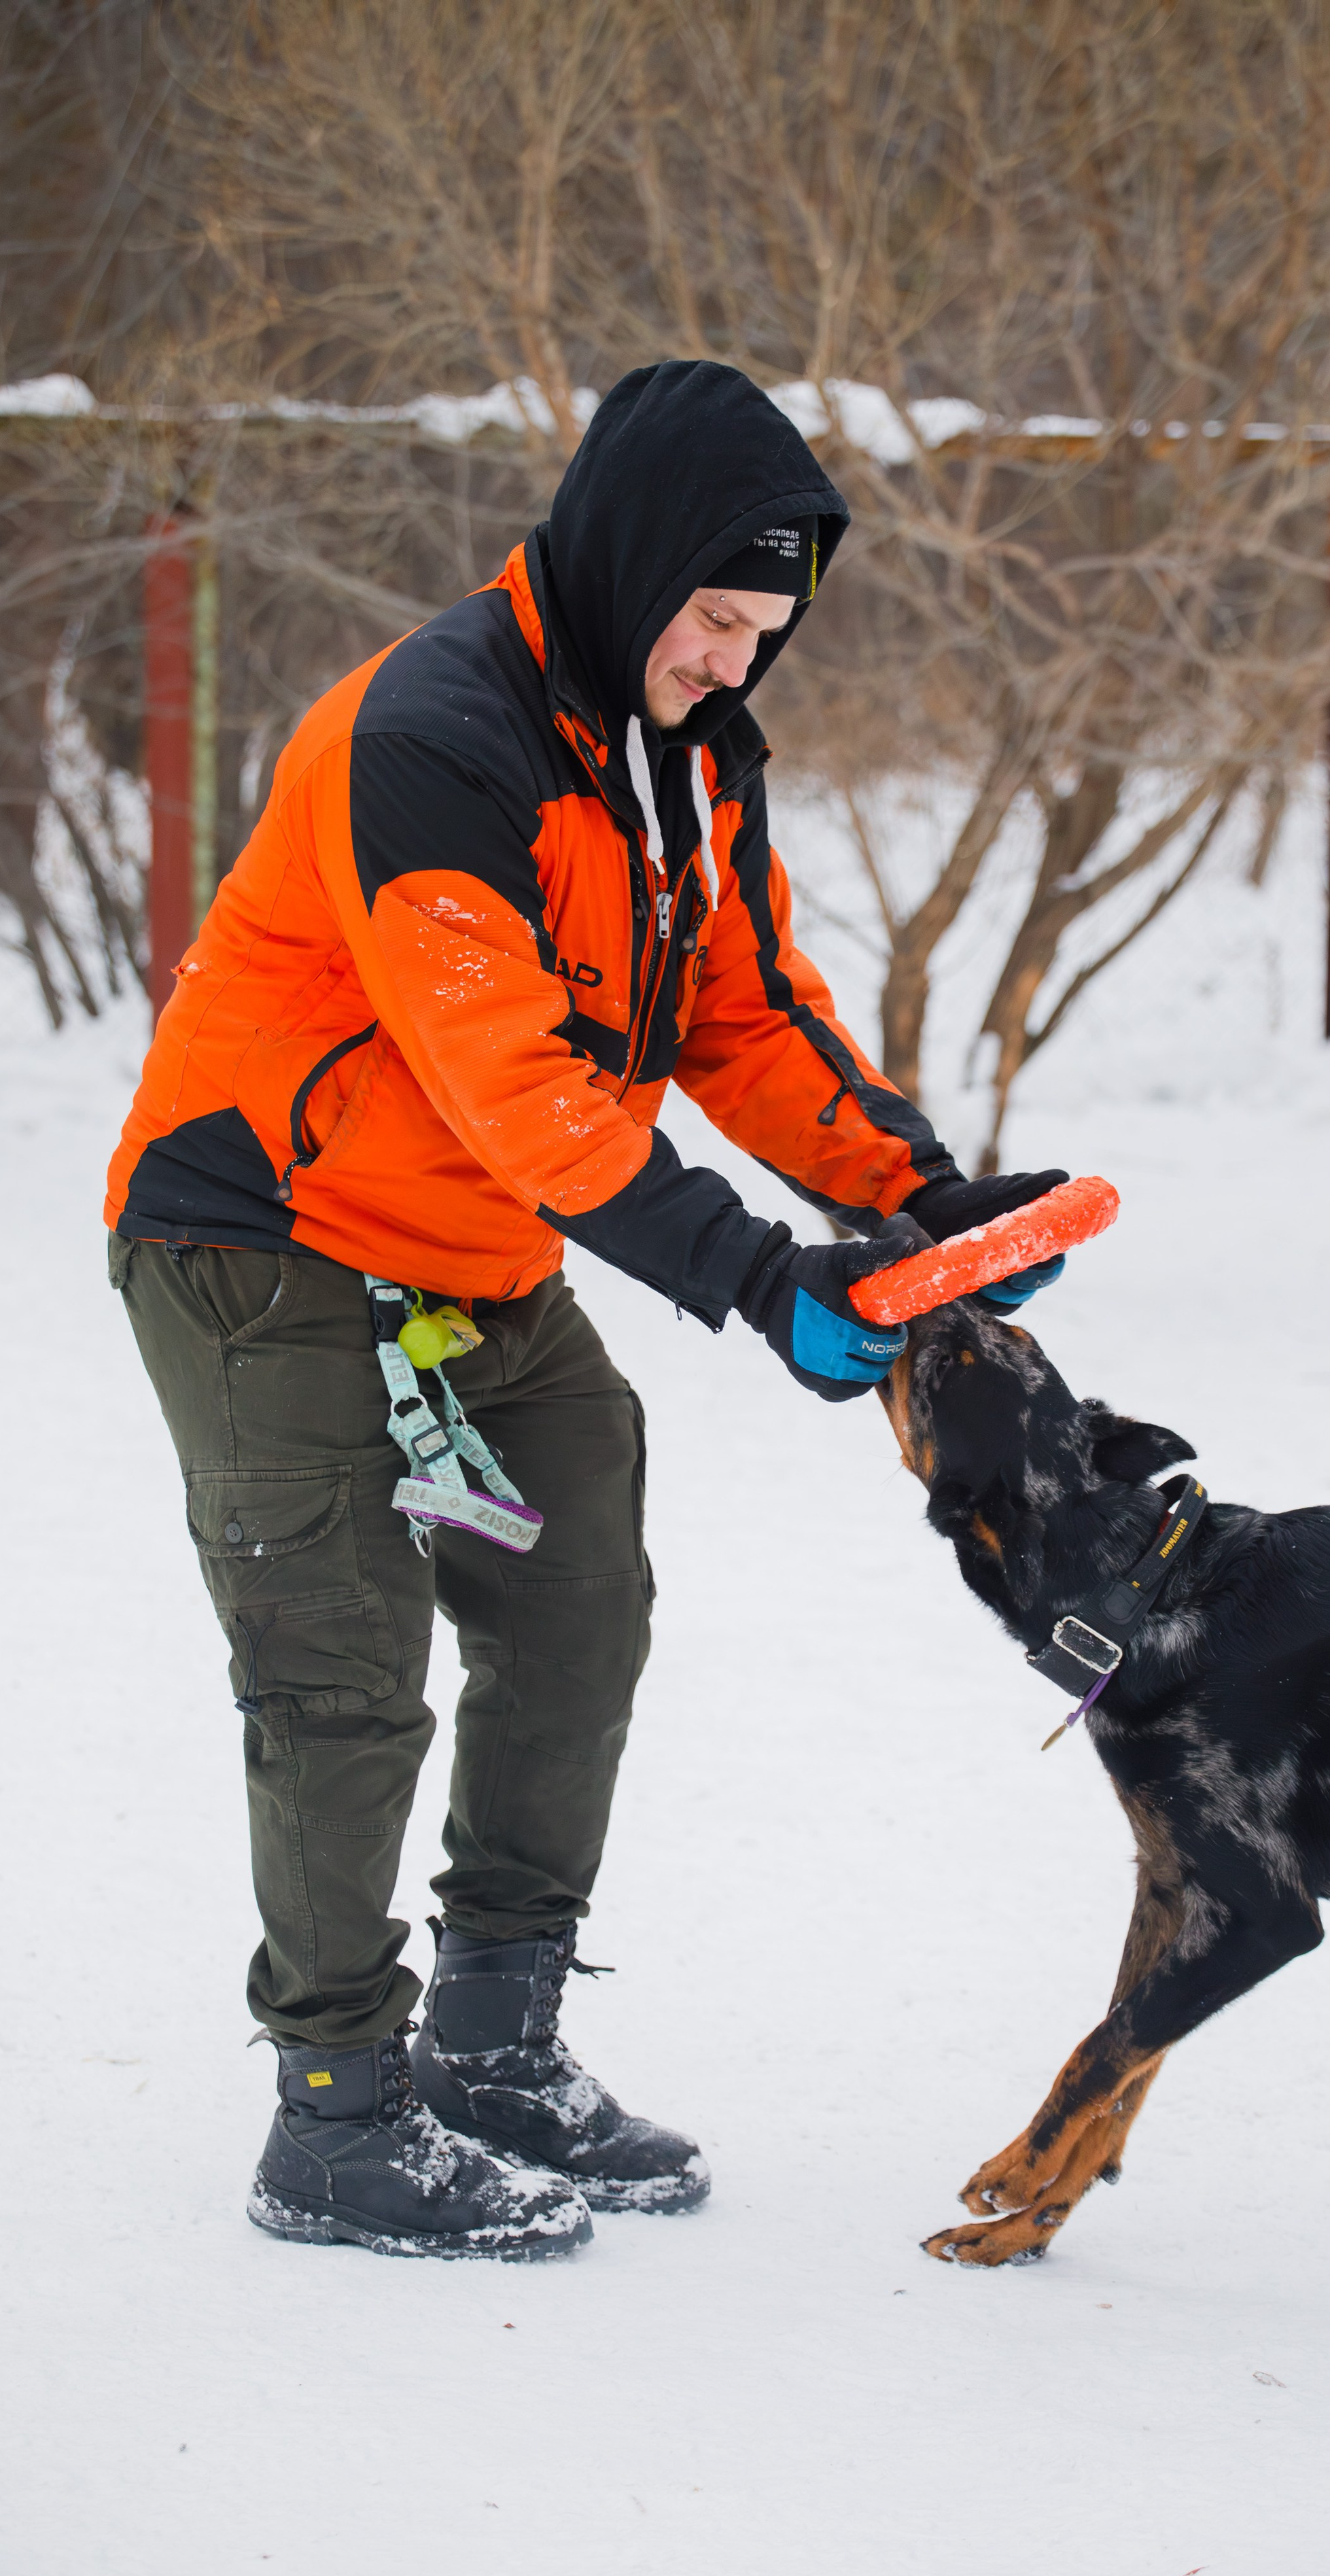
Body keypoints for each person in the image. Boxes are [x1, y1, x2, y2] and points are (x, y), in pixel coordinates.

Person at [105, 358, 1068, 2262]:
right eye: (715, 620)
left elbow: (738, 1013)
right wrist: (753, 1279)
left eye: (766, 633)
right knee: (342, 1657)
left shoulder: (691, 750)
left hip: (471, 1265)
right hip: (264, 1240)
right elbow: (511, 1079)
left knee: (575, 1604)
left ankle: (490, 2043)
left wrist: (913, 1193)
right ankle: (337, 2108)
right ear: (632, 567)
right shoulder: (434, 734)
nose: (735, 661)